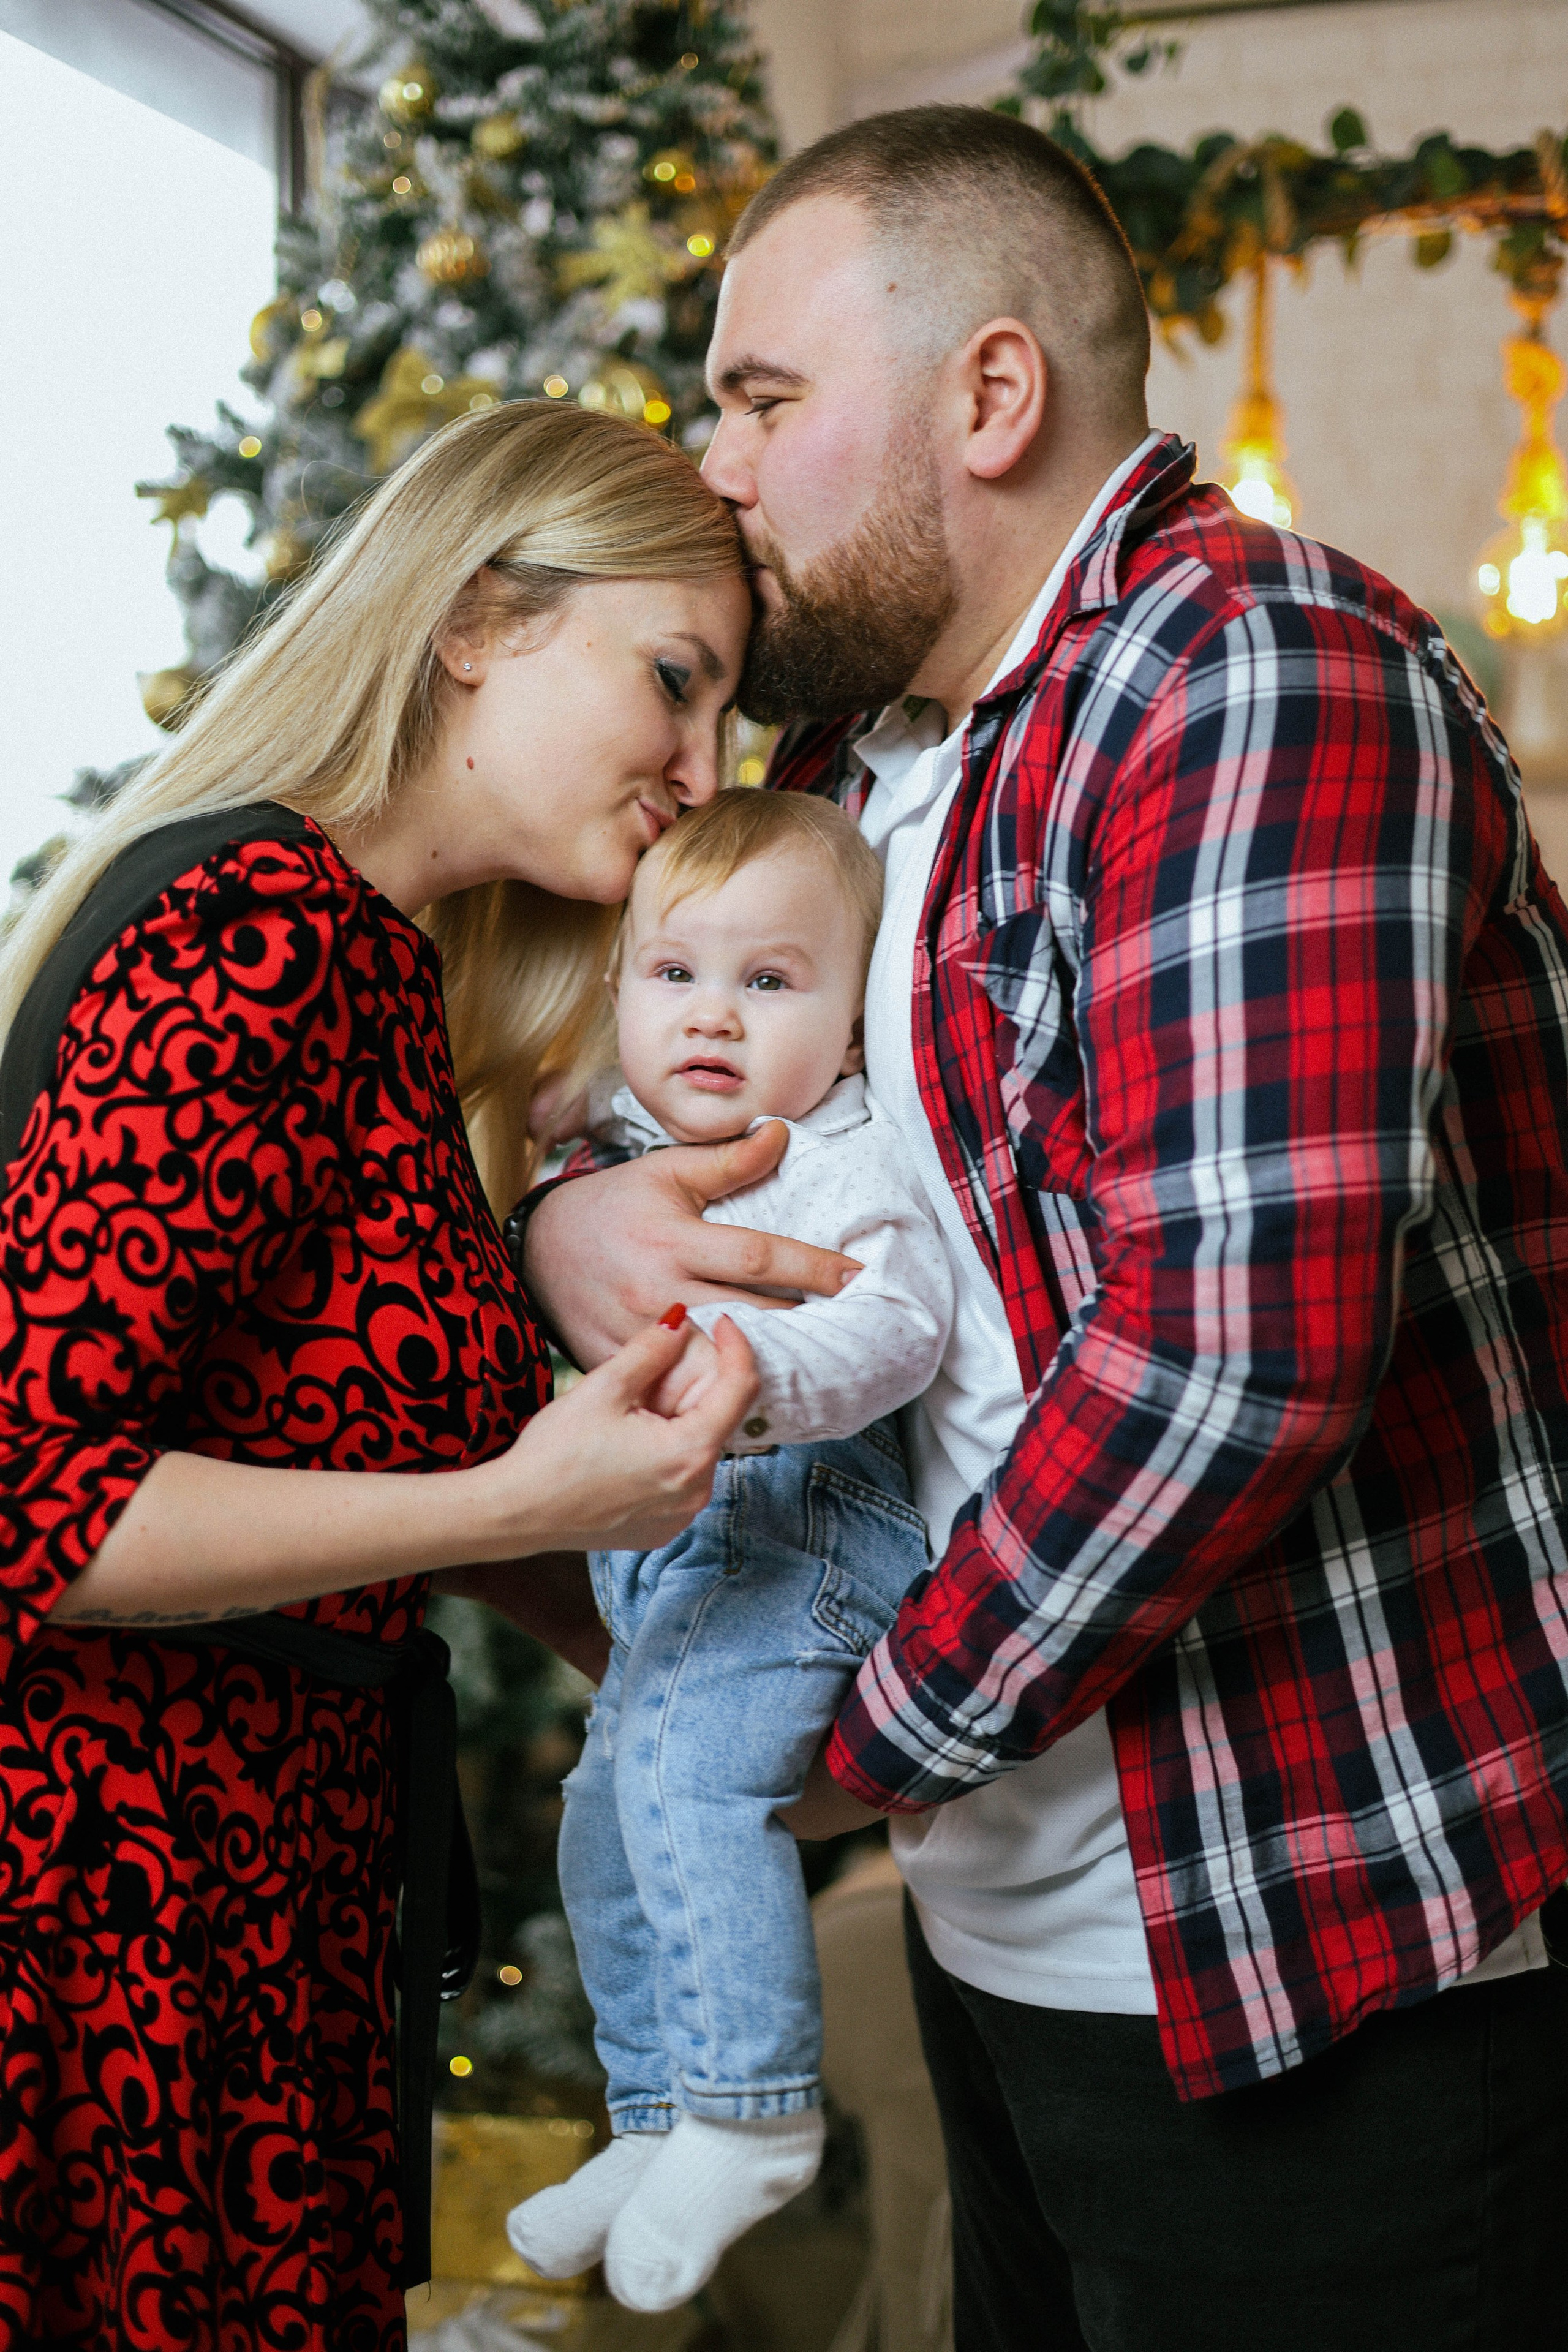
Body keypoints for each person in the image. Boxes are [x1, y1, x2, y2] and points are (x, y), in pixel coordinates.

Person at [518, 105, 1568, 2349]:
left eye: (762, 401)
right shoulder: (868, 760)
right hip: (1007, 1927)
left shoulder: (1252, 675)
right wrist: (572, 1225)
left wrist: (851, 1739)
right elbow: (674, 1094)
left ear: (989, 399)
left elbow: (1238, 1357)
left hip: (1313, 1944)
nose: (708, 466)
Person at [0, 398, 846, 2352]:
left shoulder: (381, 968)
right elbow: (35, 1496)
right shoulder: (257, 932)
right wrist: (521, 1507)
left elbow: (326, 1453)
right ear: (476, 617)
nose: (696, 768)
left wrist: (685, 1681)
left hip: (252, 1922)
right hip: (111, 1931)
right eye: (673, 678)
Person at [507, 788, 952, 2314]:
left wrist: (766, 1376)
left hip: (808, 1536)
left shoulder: (836, 1156)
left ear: (847, 1023)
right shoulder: (616, 1151)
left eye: (768, 982)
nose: (712, 1016)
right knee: (602, 1809)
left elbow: (899, 1326)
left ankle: (750, 2111)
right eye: (673, 973)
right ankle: (653, 2114)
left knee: (696, 1786)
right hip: (683, 1571)